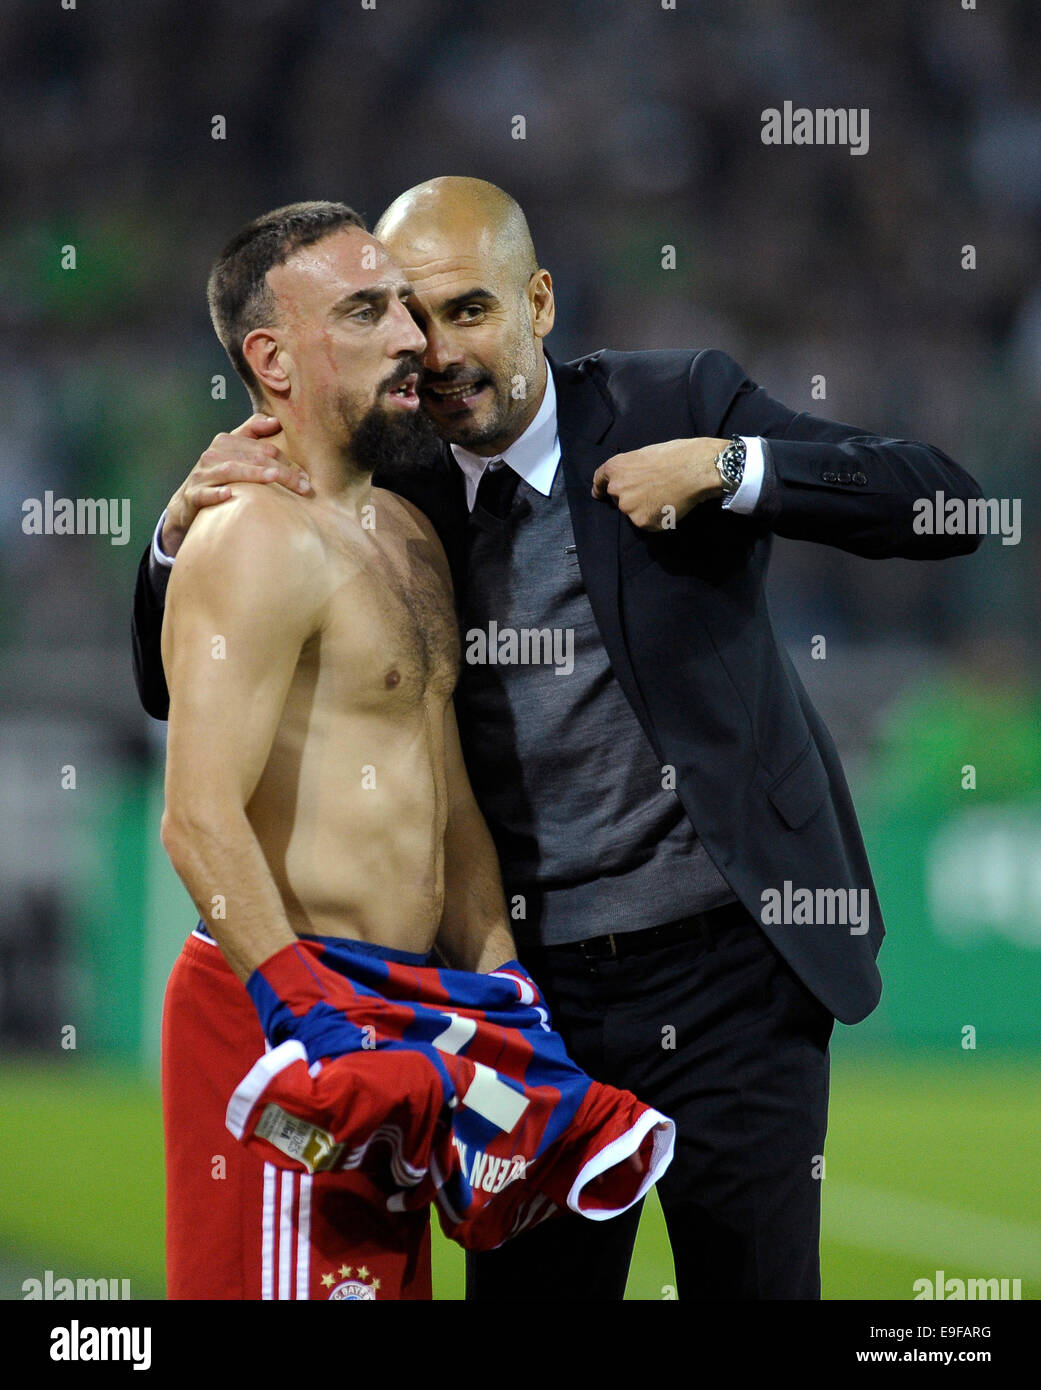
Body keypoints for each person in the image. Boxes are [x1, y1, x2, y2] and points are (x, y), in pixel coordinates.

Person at [135, 178, 985, 1300]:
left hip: (731, 971)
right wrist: (170, 533)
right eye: (405, 315)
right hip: (533, 999)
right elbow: (172, 683)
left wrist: (735, 473)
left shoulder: (672, 400)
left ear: (539, 301)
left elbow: (946, 504)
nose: (432, 350)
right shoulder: (394, 480)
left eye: (468, 310)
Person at [156, 200, 672, 1303]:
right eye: (364, 311)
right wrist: (307, 1011)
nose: (411, 338)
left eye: (402, 303)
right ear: (273, 358)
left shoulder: (409, 534)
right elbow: (196, 814)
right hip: (284, 1016)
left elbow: (447, 802)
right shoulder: (248, 537)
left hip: (404, 1022)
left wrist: (501, 979)